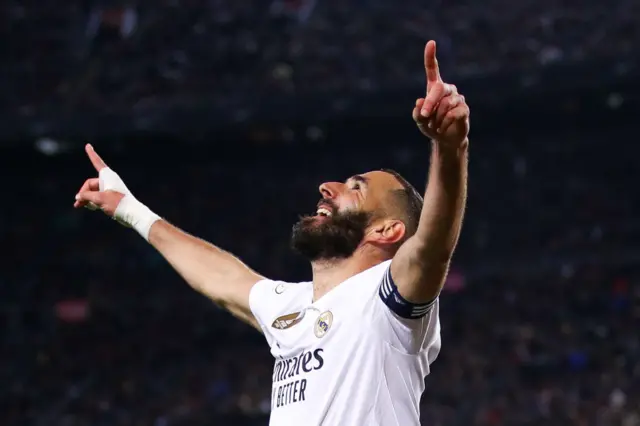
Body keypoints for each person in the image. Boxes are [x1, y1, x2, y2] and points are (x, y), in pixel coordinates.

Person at [74, 40, 470, 426]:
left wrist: (450, 147)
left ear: (388, 230)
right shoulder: (291, 308)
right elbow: (222, 277)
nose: (327, 187)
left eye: (356, 188)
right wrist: (131, 210)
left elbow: (431, 249)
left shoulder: (388, 300)